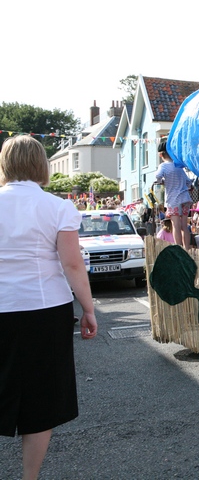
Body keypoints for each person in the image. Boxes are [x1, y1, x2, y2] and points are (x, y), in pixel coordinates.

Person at [0, 135, 98, 479]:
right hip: (44, 308)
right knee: (41, 399)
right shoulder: (57, 207)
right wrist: (88, 309)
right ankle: (29, 478)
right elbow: (72, 265)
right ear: (41, 165)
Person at [152, 142, 193, 249]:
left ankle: (179, 249)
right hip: (185, 198)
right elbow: (188, 182)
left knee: (176, 225)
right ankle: (187, 248)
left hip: (173, 200)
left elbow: (157, 176)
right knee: (184, 226)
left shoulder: (163, 166)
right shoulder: (179, 166)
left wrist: (160, 181)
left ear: (160, 155)